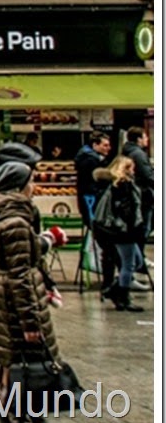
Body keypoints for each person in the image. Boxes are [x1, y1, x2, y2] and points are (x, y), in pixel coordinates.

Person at [0, 160, 61, 423]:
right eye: (30, 181)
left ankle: (12, 416)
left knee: (13, 359)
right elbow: (20, 273)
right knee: (24, 360)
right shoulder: (16, 221)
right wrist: (31, 322)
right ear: (20, 186)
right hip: (13, 299)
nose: (34, 187)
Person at [92, 156, 146, 311]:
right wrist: (133, 227)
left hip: (117, 230)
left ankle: (114, 289)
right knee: (128, 264)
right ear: (125, 169)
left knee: (137, 261)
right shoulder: (123, 186)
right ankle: (123, 297)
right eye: (131, 168)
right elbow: (127, 211)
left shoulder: (111, 185)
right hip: (123, 231)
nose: (134, 171)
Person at [74, 131, 116, 295]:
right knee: (108, 248)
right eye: (105, 145)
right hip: (93, 206)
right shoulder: (91, 161)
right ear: (95, 145)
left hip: (89, 205)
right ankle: (109, 282)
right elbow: (92, 185)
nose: (108, 148)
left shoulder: (87, 158)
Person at [121, 126, 154, 269]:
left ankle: (137, 259)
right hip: (143, 196)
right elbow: (147, 176)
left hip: (136, 196)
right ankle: (139, 261)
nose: (147, 139)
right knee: (143, 229)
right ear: (139, 139)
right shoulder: (138, 154)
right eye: (145, 137)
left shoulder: (127, 151)